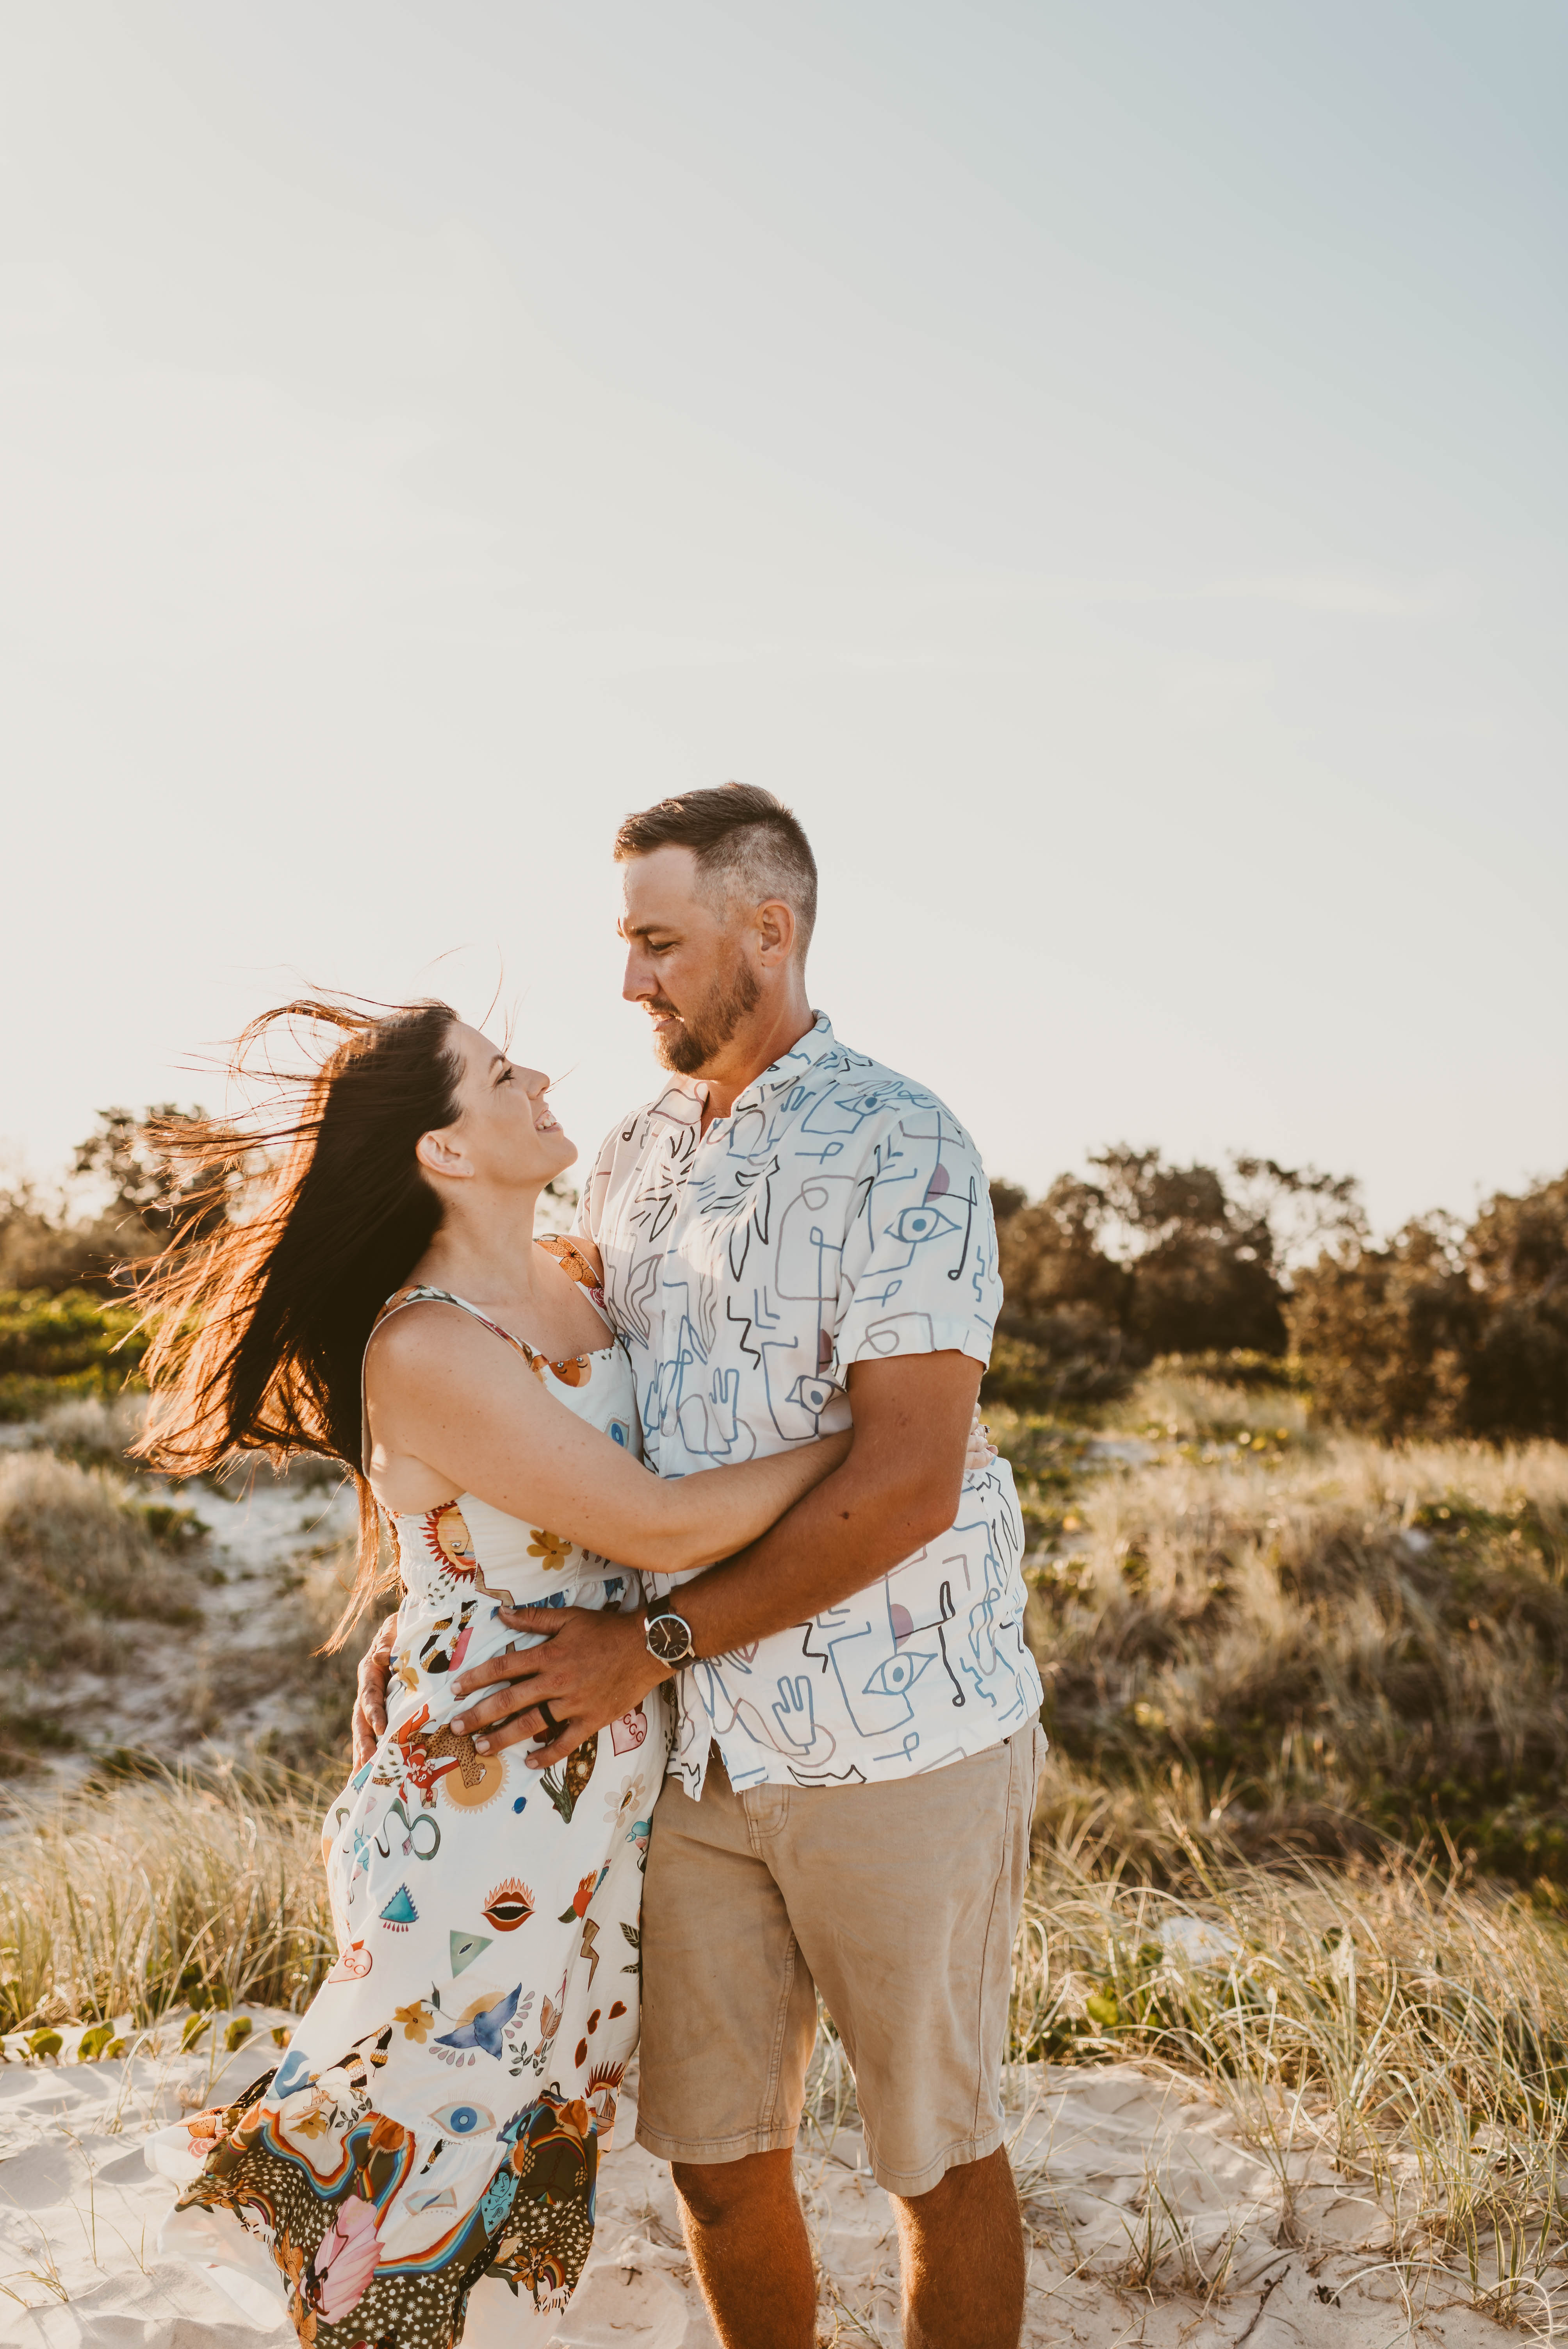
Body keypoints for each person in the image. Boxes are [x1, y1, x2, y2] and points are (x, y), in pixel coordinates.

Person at [356, 785, 1046, 2349]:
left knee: (933, 2156)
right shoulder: (628, 1157)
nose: (630, 982)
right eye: (628, 943)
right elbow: (512, 1389)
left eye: (658, 944)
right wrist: (426, 1597)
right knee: (719, 2163)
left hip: (895, 1734)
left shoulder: (903, 1145)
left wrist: (650, 1643)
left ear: (768, 931)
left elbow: (907, 1487)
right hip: (683, 1759)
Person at [135, 995, 891, 2348]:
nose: (537, 1074)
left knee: (535, 2110)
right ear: (444, 1150)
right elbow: (657, 1526)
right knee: (430, 2113)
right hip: (487, 1778)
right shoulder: (422, 1344)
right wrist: (876, 1447)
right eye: (496, 1074)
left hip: (599, 1775)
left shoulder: (575, 1274)